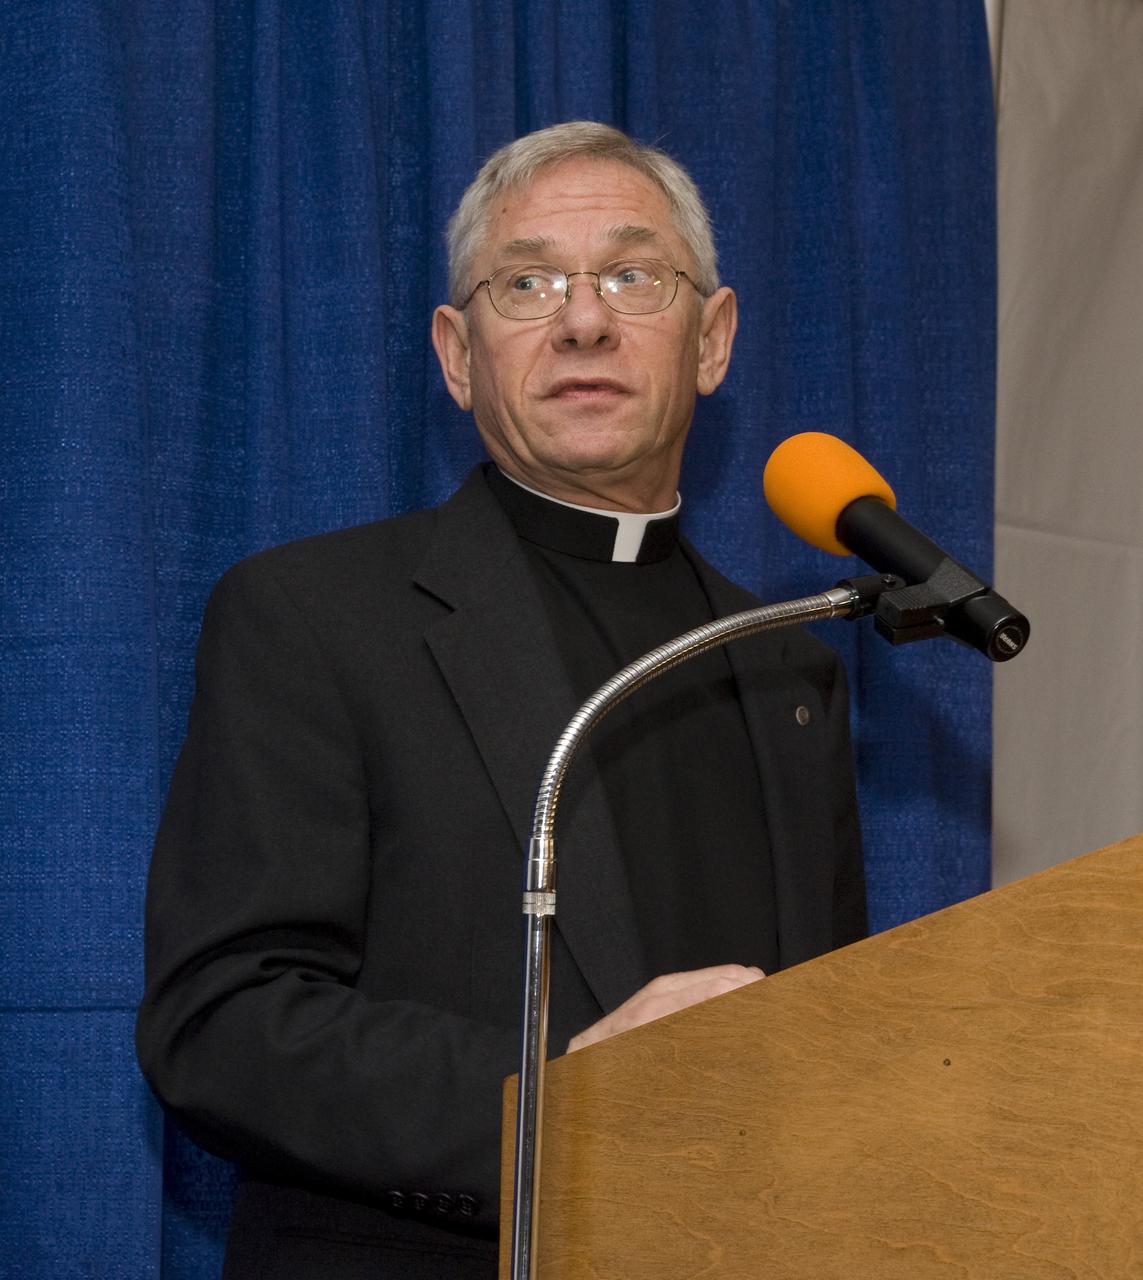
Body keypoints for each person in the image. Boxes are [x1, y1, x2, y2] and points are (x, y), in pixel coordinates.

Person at [137, 121, 866, 1280]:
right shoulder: (314, 614)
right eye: (527, 282)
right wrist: (560, 1098)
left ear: (713, 338)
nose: (585, 320)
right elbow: (221, 1025)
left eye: (633, 275)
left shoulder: (788, 662)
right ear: (459, 353)